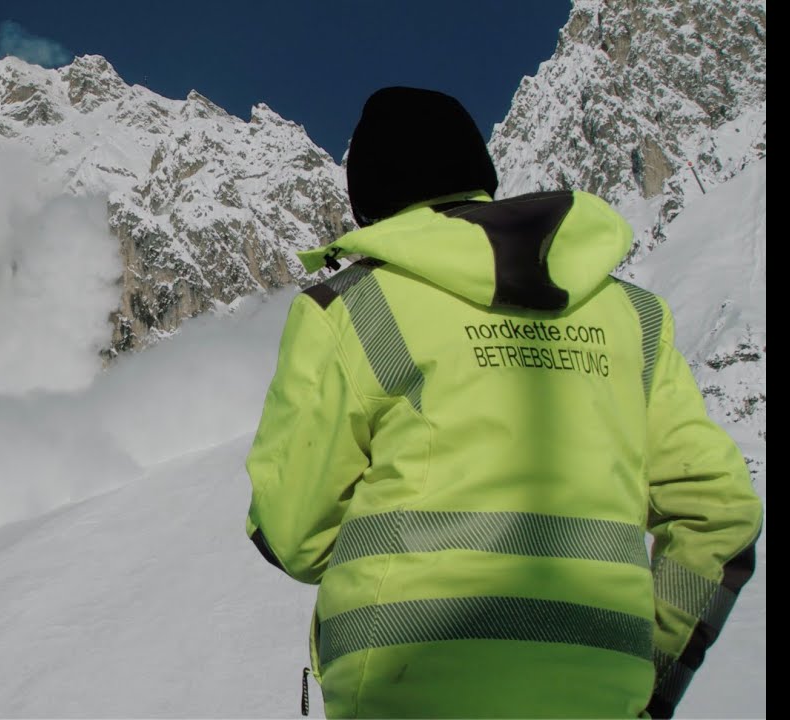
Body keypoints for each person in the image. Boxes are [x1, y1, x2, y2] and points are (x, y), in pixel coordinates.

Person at [243, 87, 763, 719]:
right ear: (479, 177)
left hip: (405, 684)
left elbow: (295, 536)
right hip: (600, 695)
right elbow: (720, 511)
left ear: (370, 203)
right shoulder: (636, 316)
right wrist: (648, 673)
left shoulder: (350, 307)